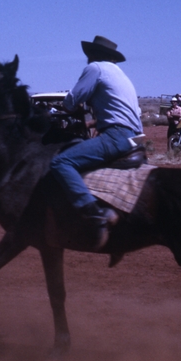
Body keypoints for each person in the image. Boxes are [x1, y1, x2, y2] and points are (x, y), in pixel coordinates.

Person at [50, 35, 143, 235]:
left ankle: (92, 211)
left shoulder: (95, 68)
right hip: (135, 137)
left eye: (89, 54)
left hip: (116, 136)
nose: (87, 58)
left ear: (93, 54)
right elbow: (122, 114)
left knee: (61, 162)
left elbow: (70, 102)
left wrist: (66, 107)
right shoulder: (120, 73)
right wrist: (92, 122)